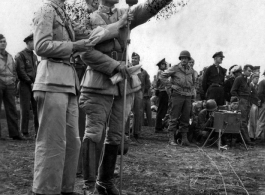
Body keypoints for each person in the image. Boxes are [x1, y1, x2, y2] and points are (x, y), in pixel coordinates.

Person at [31, 0, 129, 194]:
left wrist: (119, 24)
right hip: (51, 79)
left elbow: (92, 35)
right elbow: (41, 46)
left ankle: (66, 188)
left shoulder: (63, 13)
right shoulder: (46, 10)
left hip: (68, 83)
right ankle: (45, 190)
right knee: (53, 141)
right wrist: (75, 45)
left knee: (72, 142)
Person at [79, 0, 172, 194]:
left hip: (124, 86)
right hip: (97, 84)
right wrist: (114, 65)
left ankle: (104, 182)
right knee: (94, 132)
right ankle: (89, 185)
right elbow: (85, 52)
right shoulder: (88, 19)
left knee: (116, 135)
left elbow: (149, 8)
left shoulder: (126, 12)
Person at [160, 50, 195, 146]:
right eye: (182, 58)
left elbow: (194, 82)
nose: (184, 60)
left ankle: (184, 139)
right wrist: (171, 86)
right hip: (177, 95)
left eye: (186, 58)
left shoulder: (191, 70)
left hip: (187, 96)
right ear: (180, 59)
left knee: (185, 117)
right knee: (174, 117)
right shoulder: (175, 68)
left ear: (188, 59)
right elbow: (162, 76)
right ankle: (171, 138)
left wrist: (192, 92)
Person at [0, 34, 23, 140]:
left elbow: (14, 70)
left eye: (4, 41)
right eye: (1, 42)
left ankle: (15, 134)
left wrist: (13, 80)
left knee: (12, 109)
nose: (3, 43)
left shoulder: (9, 56)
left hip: (9, 85)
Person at [15, 34, 38, 138]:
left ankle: (38, 131)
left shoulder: (34, 56)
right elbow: (21, 71)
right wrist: (30, 82)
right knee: (25, 109)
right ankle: (24, 132)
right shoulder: (20, 55)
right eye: (33, 41)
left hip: (35, 84)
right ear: (28, 42)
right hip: (25, 84)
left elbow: (36, 71)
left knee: (37, 108)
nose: (35, 43)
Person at [230, 64, 255, 146]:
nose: (250, 73)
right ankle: (246, 140)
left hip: (247, 102)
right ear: (244, 70)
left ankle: (240, 139)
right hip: (242, 101)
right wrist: (239, 99)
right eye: (249, 71)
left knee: (245, 121)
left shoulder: (247, 80)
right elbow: (233, 91)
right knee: (242, 121)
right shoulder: (239, 79)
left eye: (251, 71)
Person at [154, 58, 169, 133]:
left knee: (163, 109)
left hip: (164, 92)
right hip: (162, 91)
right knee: (160, 109)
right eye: (163, 64)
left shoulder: (162, 72)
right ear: (160, 65)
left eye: (164, 64)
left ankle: (160, 126)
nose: (165, 65)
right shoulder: (160, 72)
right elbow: (163, 81)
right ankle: (158, 127)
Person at [248, 73, 260, 140]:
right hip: (252, 104)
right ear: (252, 78)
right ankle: (251, 136)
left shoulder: (256, 86)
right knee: (252, 120)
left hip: (255, 104)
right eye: (256, 78)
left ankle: (253, 135)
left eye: (258, 78)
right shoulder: (250, 85)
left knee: (255, 120)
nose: (257, 80)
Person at [256, 71, 265, 139]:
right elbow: (260, 94)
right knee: (261, 120)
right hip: (263, 104)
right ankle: (257, 136)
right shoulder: (262, 82)